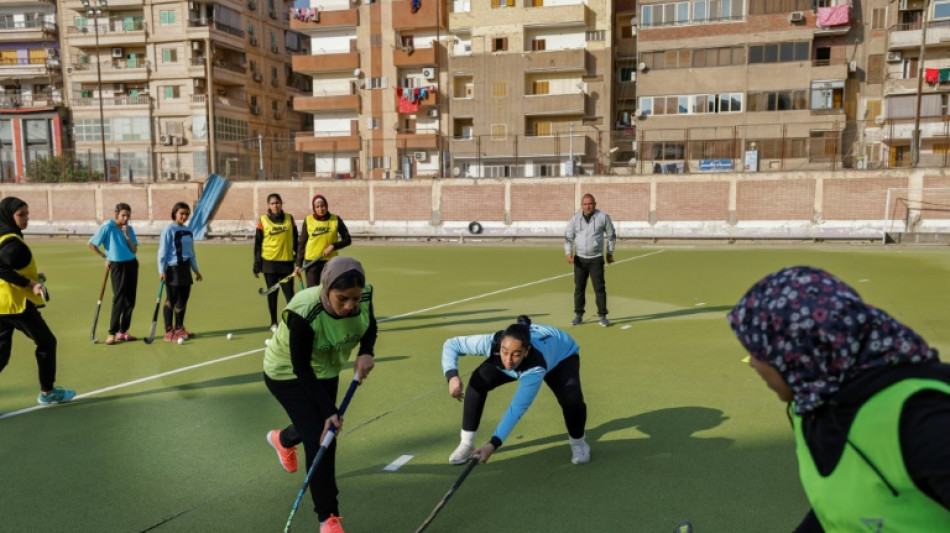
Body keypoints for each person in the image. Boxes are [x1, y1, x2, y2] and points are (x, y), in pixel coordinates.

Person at [728, 266, 950, 532]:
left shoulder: (926, 421)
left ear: (799, 351)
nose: (752, 363)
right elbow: (836, 511)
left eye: (759, 352)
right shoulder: (812, 404)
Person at [263, 256, 376, 533]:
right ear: (325, 290)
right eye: (342, 299)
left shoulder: (363, 296)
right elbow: (301, 367)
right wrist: (329, 411)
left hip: (327, 368)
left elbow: (370, 326)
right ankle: (328, 518)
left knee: (314, 425)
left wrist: (366, 352)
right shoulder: (303, 310)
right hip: (287, 373)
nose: (350, 306)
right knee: (323, 437)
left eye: (355, 298)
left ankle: (283, 439)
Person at [441, 315, 590, 465]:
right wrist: (452, 376)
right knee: (478, 380)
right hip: (528, 357)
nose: (508, 360)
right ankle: (466, 443)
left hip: (562, 356)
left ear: (526, 351)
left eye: (516, 354)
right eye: (504, 352)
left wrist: (493, 444)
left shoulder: (535, 368)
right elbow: (451, 344)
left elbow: (516, 409)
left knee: (572, 401)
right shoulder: (491, 342)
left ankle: (578, 443)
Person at [0, 197, 75, 405]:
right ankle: (47, 393)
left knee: (1, 355)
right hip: (16, 305)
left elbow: (9, 267)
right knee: (46, 342)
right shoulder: (12, 242)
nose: (26, 218)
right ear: (9, 215)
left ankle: (48, 392)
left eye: (27, 213)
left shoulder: (3, 236)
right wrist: (30, 284)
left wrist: (34, 276)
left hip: (2, 305)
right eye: (21, 215)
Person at [88, 202, 139, 345]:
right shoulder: (107, 227)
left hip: (132, 264)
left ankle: (123, 331)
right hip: (117, 265)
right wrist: (105, 257)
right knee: (119, 299)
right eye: (123, 215)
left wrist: (127, 235)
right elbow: (91, 244)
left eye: (128, 216)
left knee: (130, 300)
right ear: (116, 214)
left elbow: (134, 250)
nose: (126, 218)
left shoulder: (129, 229)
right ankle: (112, 333)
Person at [564, 193, 616, 327]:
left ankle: (603, 316)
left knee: (599, 288)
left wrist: (609, 253)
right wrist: (568, 252)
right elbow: (568, 237)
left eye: (590, 204)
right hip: (580, 259)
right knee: (579, 288)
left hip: (596, 259)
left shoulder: (603, 217)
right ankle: (578, 315)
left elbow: (611, 236)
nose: (588, 206)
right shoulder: (575, 219)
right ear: (582, 205)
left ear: (595, 204)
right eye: (585, 204)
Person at [157, 202, 202, 341]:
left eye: (187, 214)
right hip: (173, 269)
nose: (184, 216)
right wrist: (161, 270)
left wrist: (196, 270)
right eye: (182, 213)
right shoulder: (169, 230)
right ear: (175, 213)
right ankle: (168, 331)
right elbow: (162, 252)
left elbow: (191, 252)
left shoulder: (188, 230)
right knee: (171, 299)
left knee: (183, 299)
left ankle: (179, 328)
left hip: (185, 268)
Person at [254, 193, 299, 332]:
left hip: (286, 263)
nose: (275, 206)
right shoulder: (263, 220)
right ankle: (273, 322)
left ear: (281, 204)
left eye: (278, 203)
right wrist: (257, 264)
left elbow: (296, 241)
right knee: (272, 294)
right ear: (269, 205)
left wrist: (298, 261)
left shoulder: (289, 219)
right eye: (272, 203)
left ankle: (292, 321)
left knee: (289, 295)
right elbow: (258, 243)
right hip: (269, 263)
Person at [297, 194, 352, 288]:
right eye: (317, 207)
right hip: (312, 261)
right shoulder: (308, 220)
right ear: (314, 208)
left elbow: (348, 240)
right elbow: (302, 243)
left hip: (330, 262)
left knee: (330, 290)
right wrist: (298, 264)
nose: (320, 209)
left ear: (326, 206)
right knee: (313, 293)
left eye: (322, 206)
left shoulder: (335, 219)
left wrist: (333, 246)